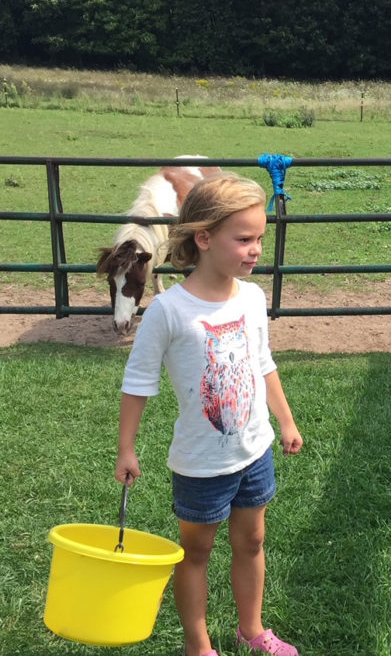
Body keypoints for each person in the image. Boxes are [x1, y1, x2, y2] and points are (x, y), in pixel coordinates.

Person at [114, 172, 303, 656]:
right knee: (195, 553)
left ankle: (252, 630)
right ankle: (198, 647)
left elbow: (262, 364)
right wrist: (127, 449)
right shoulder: (169, 311)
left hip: (254, 451)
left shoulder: (254, 299)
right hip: (200, 464)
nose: (256, 248)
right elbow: (138, 382)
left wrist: (285, 420)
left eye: (259, 237)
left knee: (253, 541)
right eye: (243, 239)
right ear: (203, 238)